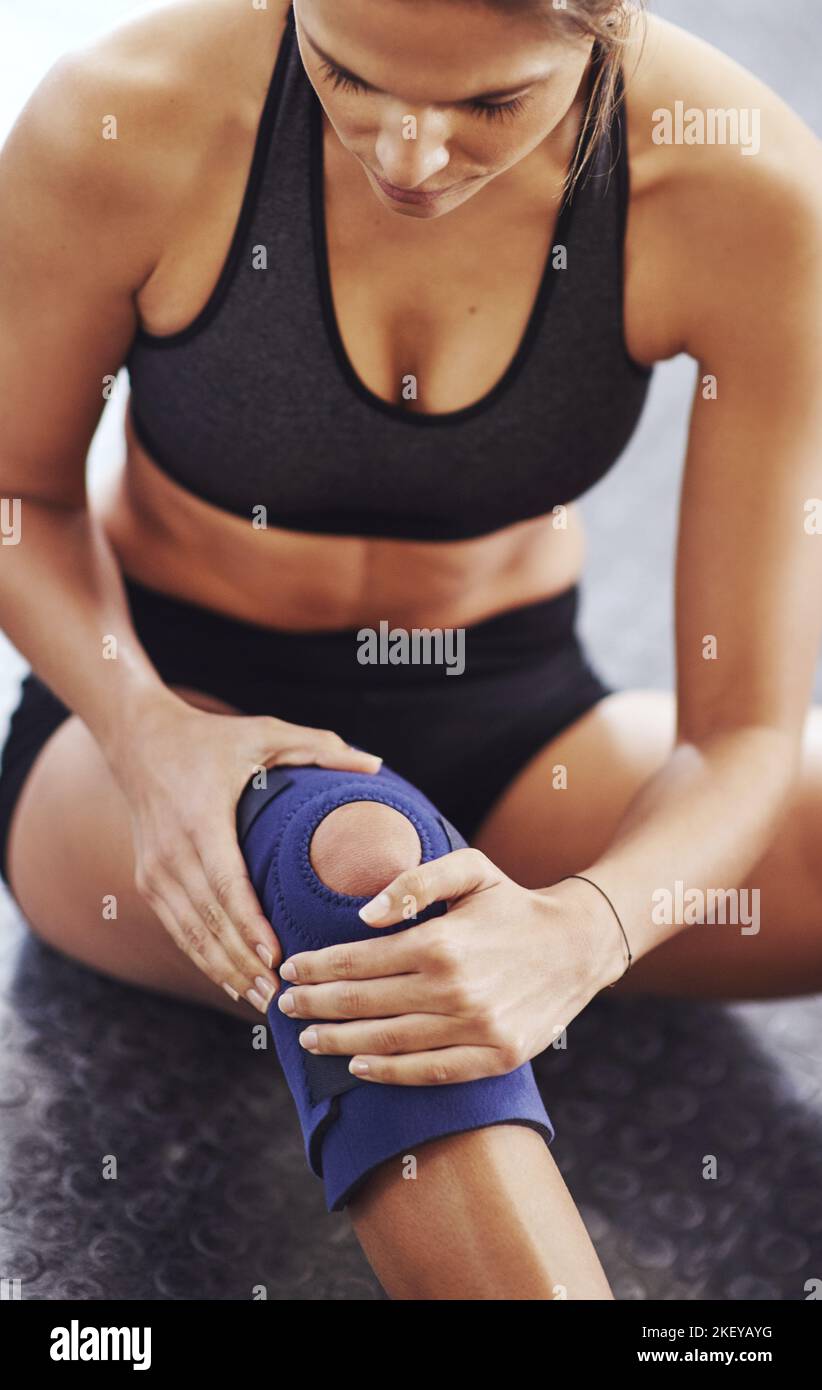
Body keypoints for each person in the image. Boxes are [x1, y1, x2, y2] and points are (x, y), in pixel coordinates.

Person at [0, 0, 820, 1300]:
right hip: (152, 724)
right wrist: (148, 732)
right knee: (366, 868)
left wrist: (583, 933)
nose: (407, 156)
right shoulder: (128, 117)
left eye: (488, 107)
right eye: (347, 77)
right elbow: (15, 495)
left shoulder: (742, 184)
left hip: (520, 717)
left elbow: (742, 734)